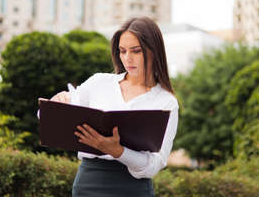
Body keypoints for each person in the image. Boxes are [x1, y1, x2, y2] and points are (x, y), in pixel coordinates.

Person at [49, 16, 179, 197]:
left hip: (133, 189)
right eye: (122, 51)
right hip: (88, 184)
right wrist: (57, 103)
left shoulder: (166, 102)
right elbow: (49, 118)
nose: (128, 59)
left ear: (153, 51)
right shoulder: (99, 82)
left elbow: (155, 164)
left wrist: (119, 152)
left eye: (136, 51)